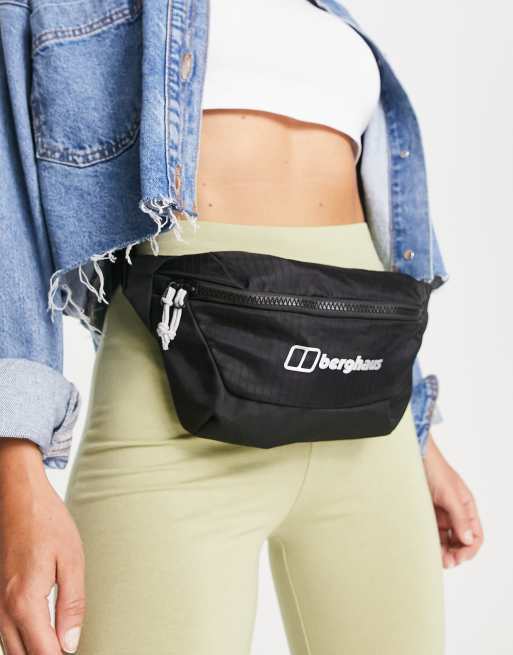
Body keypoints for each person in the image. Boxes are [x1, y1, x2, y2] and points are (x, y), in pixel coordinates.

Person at [0, 1, 483, 654]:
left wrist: (419, 430)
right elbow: (7, 202)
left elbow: (383, 251)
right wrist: (14, 466)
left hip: (369, 427)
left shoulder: (328, 12)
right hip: (172, 411)